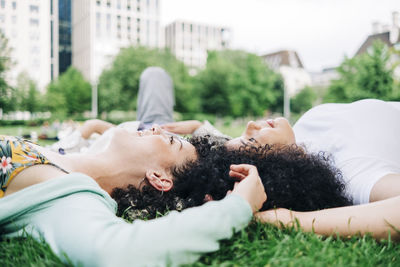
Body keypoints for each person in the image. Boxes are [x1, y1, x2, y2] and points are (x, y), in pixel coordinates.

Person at [0, 127, 267, 266]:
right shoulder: (60, 156)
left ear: (160, 178)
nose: (157, 130)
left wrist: (238, 206)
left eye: (170, 141)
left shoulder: (73, 197)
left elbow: (117, 251)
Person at [164, 99, 400, 241]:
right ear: (275, 168)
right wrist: (289, 219)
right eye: (250, 139)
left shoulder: (300, 143)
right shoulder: (353, 172)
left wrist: (201, 129)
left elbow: (232, 151)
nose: (250, 125)